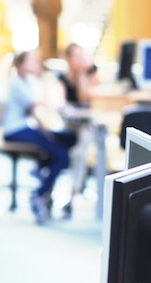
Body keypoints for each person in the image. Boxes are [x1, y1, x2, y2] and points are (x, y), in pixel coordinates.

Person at [2, 49, 76, 224]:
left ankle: (40, 167)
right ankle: (39, 193)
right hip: (15, 131)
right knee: (62, 156)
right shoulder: (16, 84)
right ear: (21, 64)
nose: (38, 64)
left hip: (26, 127)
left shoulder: (26, 81)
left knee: (68, 138)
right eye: (33, 61)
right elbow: (38, 105)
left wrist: (46, 132)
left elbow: (35, 112)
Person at [56, 43, 99, 218]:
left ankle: (72, 195)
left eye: (81, 56)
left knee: (79, 154)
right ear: (68, 59)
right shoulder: (61, 77)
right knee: (58, 147)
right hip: (68, 123)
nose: (80, 60)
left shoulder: (90, 72)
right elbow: (61, 102)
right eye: (76, 56)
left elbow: (85, 97)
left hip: (86, 124)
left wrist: (82, 74)